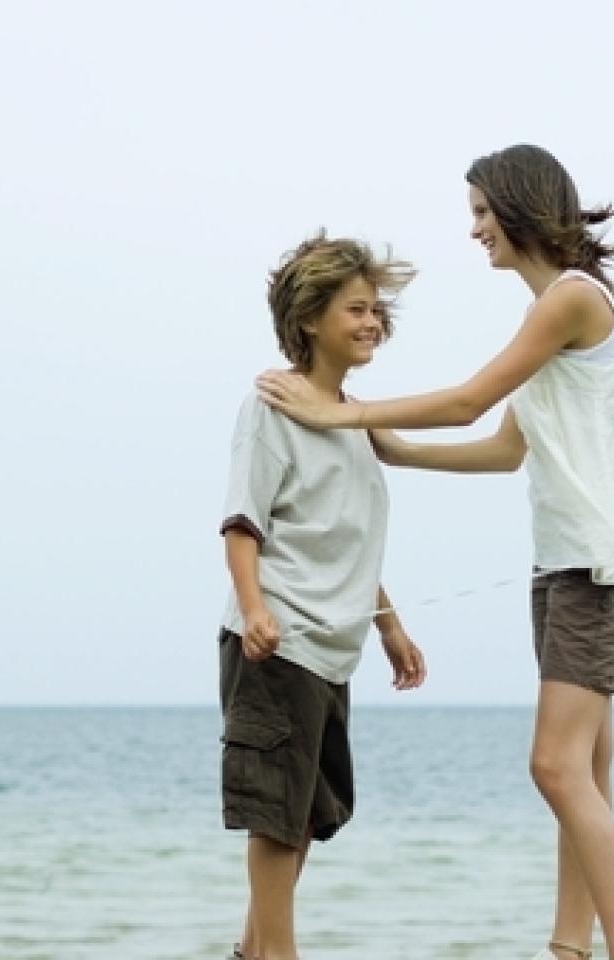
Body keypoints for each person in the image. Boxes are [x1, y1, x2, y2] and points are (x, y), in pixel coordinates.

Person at [254, 146, 614, 960]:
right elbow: (507, 447)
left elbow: (470, 398)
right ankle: (570, 947)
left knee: (555, 768)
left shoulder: (569, 302)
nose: (474, 228)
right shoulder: (550, 316)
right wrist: (396, 449)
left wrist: (341, 413)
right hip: (567, 562)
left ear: (519, 207)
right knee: (585, 769)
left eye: (482, 211)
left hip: (598, 562)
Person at [218, 232, 428, 960]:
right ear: (311, 317)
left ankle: (253, 953)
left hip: (332, 651)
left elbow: (346, 536)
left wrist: (390, 627)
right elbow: (243, 523)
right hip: (277, 641)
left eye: (377, 310)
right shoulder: (273, 404)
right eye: (357, 308)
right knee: (275, 819)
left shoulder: (353, 418)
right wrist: (253, 608)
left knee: (307, 817)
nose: (373, 322)